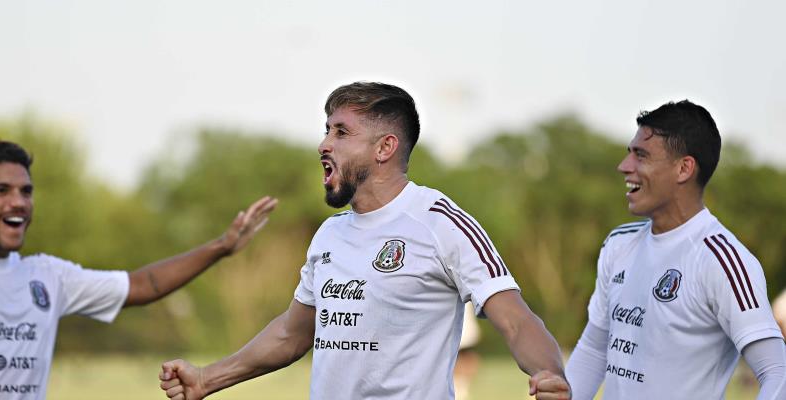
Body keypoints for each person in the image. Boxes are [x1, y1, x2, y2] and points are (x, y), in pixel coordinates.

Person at [159, 82, 571, 400]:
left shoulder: (440, 223)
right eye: (326, 130)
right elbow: (291, 333)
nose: (324, 144)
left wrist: (549, 373)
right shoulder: (330, 234)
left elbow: (516, 320)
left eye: (341, 132)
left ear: (385, 148)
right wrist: (206, 379)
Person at [0, 141, 277, 400]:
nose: (19, 202)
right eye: (1, 191)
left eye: (26, 191)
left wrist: (221, 247)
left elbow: (142, 285)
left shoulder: (48, 275)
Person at [565, 101, 786, 399]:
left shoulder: (722, 260)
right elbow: (594, 349)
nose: (624, 166)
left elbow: (777, 371)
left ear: (684, 168)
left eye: (641, 155)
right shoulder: (618, 244)